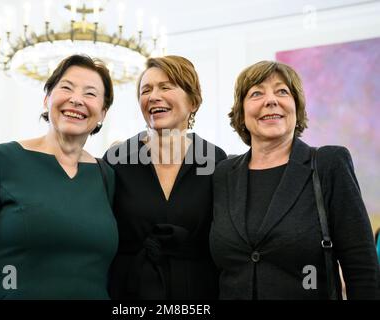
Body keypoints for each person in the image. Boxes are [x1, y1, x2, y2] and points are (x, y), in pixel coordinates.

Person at [0, 54, 118, 299]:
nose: (76, 99)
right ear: (47, 99)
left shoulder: (106, 176)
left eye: (90, 94)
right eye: (66, 88)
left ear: (102, 113)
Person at [209, 60, 380, 300]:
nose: (271, 100)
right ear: (241, 112)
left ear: (296, 108)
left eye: (282, 91)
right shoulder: (223, 173)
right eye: (256, 93)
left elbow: (362, 266)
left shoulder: (328, 163)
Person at [104, 55, 227, 299]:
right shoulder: (117, 158)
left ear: (193, 101)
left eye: (166, 87)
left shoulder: (215, 159)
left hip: (198, 290)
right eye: (145, 90)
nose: (153, 96)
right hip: (130, 289)